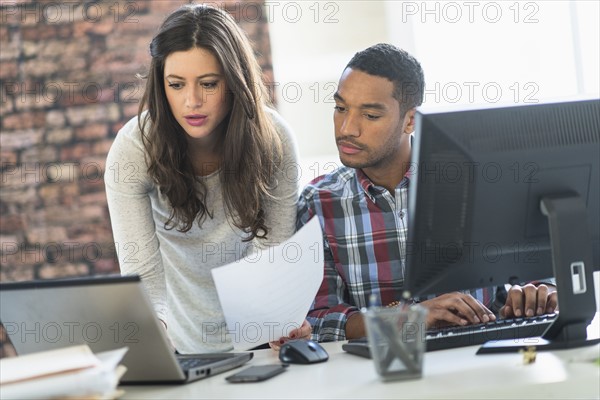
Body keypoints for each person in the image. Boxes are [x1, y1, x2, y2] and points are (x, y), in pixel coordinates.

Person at [297, 43, 557, 341]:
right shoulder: (318, 202)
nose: (347, 128)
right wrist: (406, 318)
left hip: (482, 357)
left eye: (369, 116)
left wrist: (541, 293)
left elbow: (541, 276)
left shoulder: (476, 178)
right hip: (386, 372)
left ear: (410, 120)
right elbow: (317, 320)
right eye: (341, 108)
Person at [104, 4, 310, 353]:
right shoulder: (134, 149)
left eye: (209, 84)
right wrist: (154, 339)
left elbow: (270, 256)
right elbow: (142, 274)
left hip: (259, 336)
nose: (192, 101)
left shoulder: (273, 139)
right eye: (176, 84)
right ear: (161, 84)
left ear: (234, 81)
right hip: (180, 341)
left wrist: (275, 323)